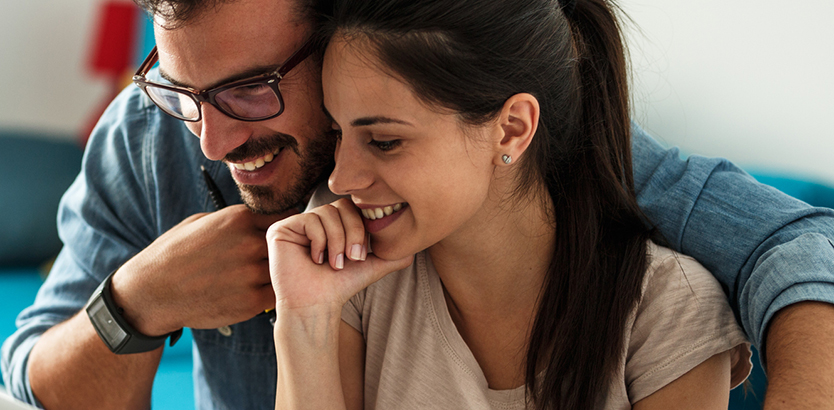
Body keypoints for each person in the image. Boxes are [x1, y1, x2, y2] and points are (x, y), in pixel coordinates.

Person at [1, 0, 834, 408]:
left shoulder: (539, 154)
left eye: (251, 89)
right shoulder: (148, 139)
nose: (211, 142)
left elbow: (794, 248)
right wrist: (139, 302)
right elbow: (33, 372)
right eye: (182, 90)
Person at [267, 0, 749, 408]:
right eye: (338, 133)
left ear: (512, 129)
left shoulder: (668, 310)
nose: (341, 177)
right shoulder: (353, 285)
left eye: (384, 141)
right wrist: (303, 318)